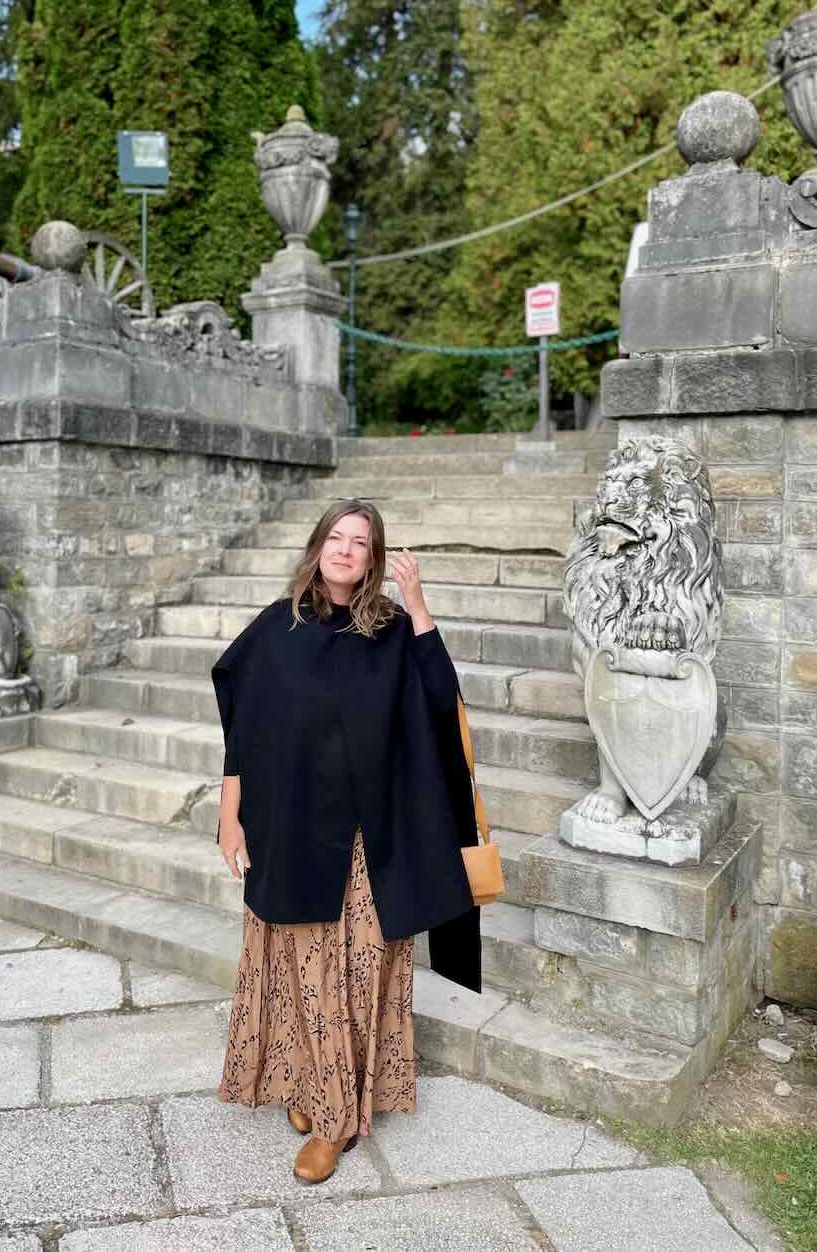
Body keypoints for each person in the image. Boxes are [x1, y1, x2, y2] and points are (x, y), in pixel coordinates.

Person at [212, 497, 482, 1184]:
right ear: (316, 547)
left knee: (353, 969)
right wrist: (230, 810)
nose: (344, 549)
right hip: (290, 826)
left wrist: (419, 607)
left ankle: (335, 1118)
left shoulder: (389, 632)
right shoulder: (279, 627)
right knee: (297, 964)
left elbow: (439, 698)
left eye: (359, 542)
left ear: (374, 558)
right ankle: (304, 1082)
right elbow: (241, 720)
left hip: (369, 836)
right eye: (335, 537)